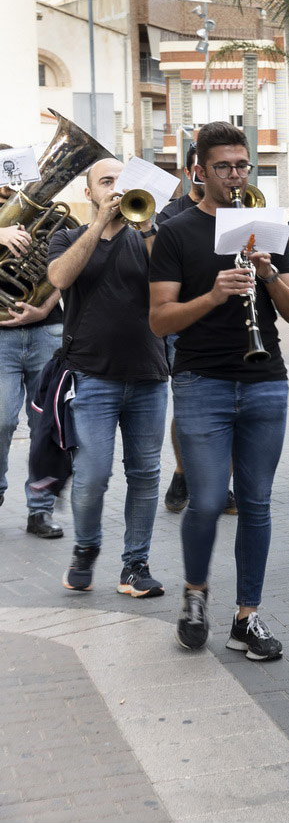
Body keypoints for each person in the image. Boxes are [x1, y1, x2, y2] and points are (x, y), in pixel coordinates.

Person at [149, 121, 289, 661]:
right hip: (201, 382)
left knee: (257, 504)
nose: (236, 175)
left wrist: (270, 276)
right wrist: (213, 296)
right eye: (224, 166)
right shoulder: (175, 233)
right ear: (200, 170)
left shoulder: (269, 228)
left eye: (242, 165)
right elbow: (160, 320)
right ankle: (195, 596)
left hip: (265, 384)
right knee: (208, 500)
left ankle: (247, 616)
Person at [47, 158, 168, 596]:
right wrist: (98, 223)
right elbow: (60, 277)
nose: (116, 188)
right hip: (91, 375)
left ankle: (135, 565)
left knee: (145, 473)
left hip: (149, 374)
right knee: (93, 474)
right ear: (89, 193)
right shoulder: (67, 237)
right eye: (106, 181)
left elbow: (171, 281)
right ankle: (86, 547)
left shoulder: (151, 236)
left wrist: (149, 227)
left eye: (122, 180)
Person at [159, 143, 235, 516]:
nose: (228, 175)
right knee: (188, 408)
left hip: (233, 324)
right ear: (194, 171)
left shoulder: (240, 209)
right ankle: (183, 471)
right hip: (187, 326)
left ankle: (223, 484)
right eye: (215, 167)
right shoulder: (172, 215)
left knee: (234, 407)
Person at [0, 142, 66, 539]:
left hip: (45, 329)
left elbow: (65, 266)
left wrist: (44, 309)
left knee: (45, 423)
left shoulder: (49, 212)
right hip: (1, 337)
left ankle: (40, 510)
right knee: (1, 420)